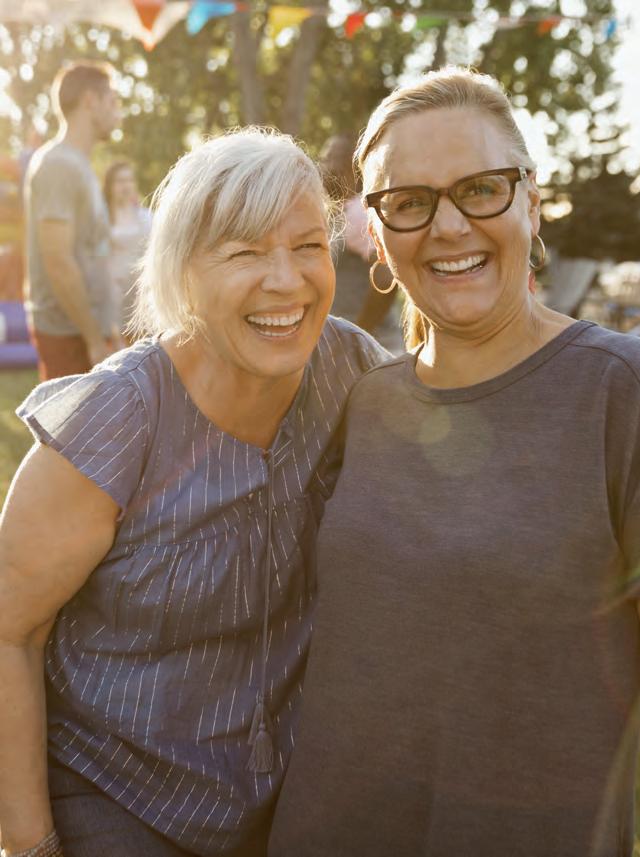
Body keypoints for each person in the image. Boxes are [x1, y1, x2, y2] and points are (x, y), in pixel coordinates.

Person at [269, 68, 640, 857]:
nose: (449, 227)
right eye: (409, 201)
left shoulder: (629, 390)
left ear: (532, 203)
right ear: (378, 234)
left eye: (481, 189)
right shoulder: (363, 402)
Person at [0, 127, 387, 857]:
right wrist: (32, 846)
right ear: (182, 270)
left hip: (286, 798)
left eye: (308, 245)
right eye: (245, 253)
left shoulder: (353, 370)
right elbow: (8, 631)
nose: (287, 280)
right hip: (114, 793)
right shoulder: (115, 418)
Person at [24, 61, 122, 380]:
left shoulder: (79, 165)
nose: (118, 112)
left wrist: (107, 328)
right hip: (68, 336)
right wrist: (94, 340)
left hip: (88, 333)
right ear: (90, 101)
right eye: (112, 101)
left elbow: (94, 253)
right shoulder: (58, 165)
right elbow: (58, 262)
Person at [319, 133, 398, 338]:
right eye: (324, 159)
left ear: (352, 168)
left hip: (377, 346)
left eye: (332, 158)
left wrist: (359, 335)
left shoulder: (358, 214)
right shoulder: (337, 213)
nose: (325, 167)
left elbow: (386, 276)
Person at [103, 160, 152, 340]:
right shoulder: (102, 219)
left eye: (129, 180)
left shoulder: (146, 217)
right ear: (110, 186)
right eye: (120, 181)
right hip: (112, 292)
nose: (125, 185)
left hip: (142, 290)